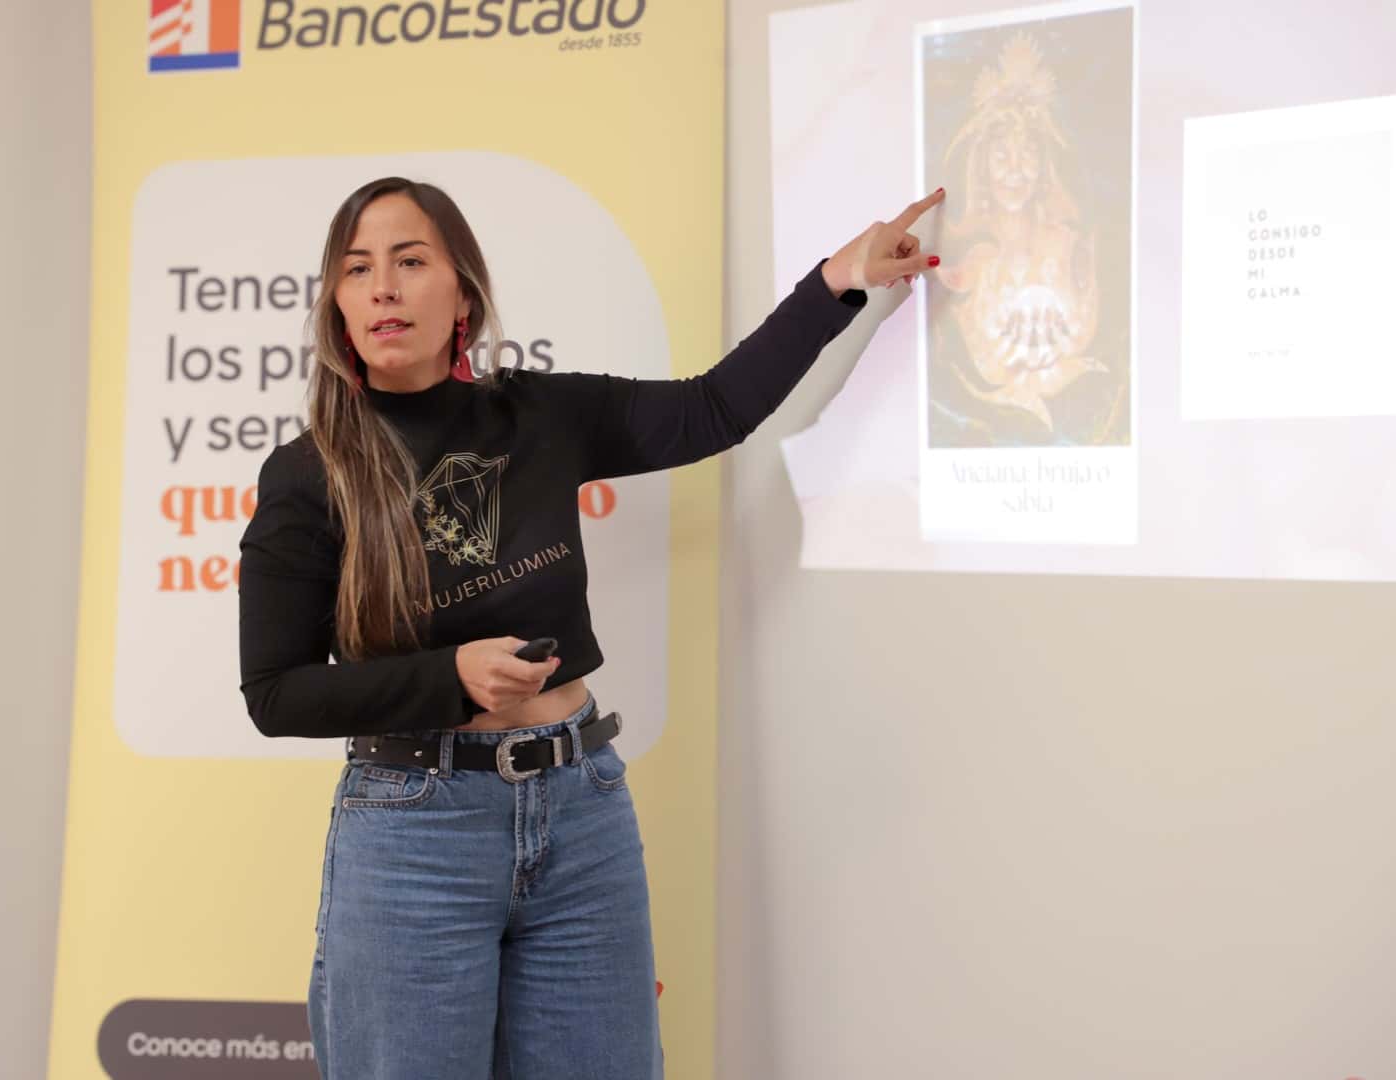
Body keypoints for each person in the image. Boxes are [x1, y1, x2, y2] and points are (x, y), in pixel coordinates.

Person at [237, 176, 944, 1079]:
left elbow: (712, 409)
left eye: (409, 261)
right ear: (336, 306)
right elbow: (276, 694)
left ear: (463, 292)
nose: (383, 288)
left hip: (581, 813)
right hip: (415, 835)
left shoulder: (539, 414)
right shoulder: (308, 474)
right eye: (356, 269)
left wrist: (838, 280)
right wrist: (450, 677)